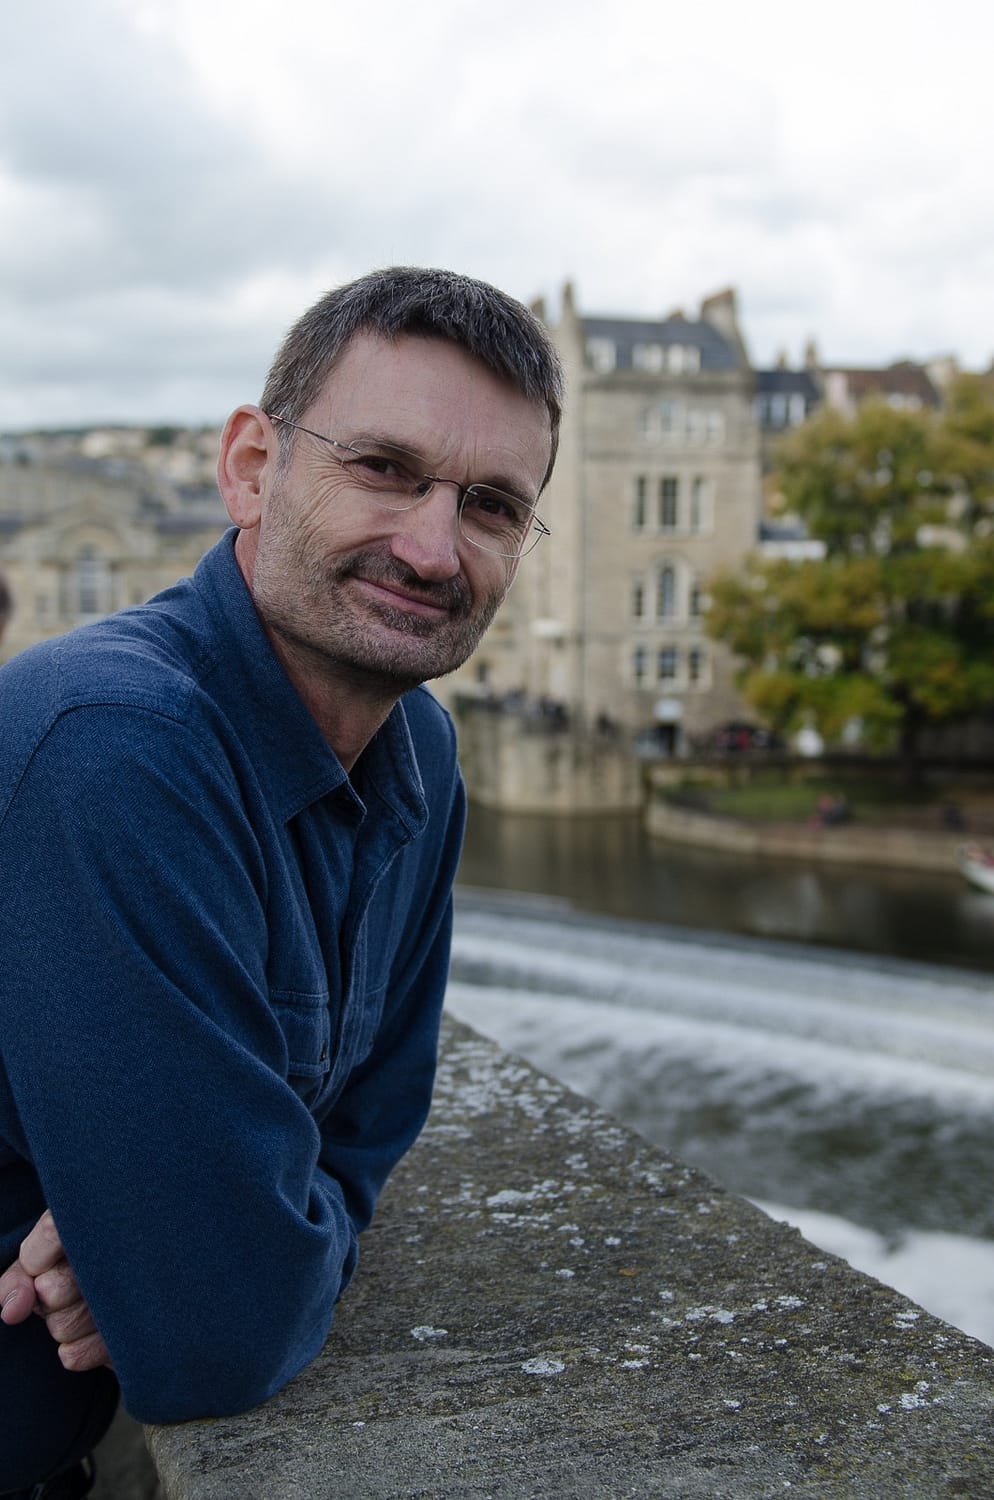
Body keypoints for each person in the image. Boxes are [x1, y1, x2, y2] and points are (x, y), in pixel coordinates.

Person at [0, 267, 563, 1497]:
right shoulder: (112, 740)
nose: (431, 547)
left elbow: (370, 1133)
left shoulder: (422, 755)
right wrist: (198, 1249)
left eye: (490, 505)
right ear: (252, 466)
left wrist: (234, 1230)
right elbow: (212, 1331)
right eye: (384, 468)